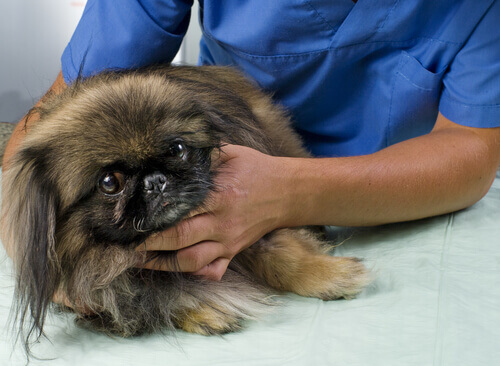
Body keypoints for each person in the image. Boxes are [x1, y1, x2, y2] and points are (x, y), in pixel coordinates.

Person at [3, 0, 500, 282]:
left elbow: (473, 149)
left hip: (404, 197)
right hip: (205, 168)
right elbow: (58, 118)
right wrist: (45, 267)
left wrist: (285, 193)